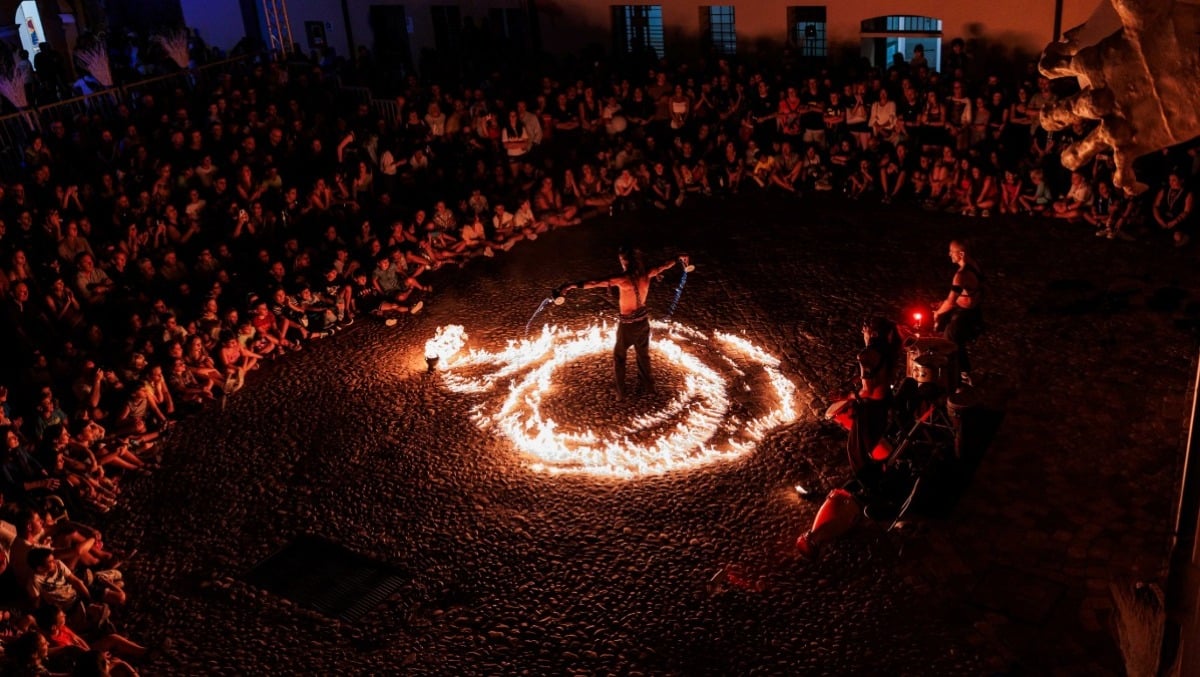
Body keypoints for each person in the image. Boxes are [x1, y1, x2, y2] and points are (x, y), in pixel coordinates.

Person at [556, 247, 690, 401]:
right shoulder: (647, 273)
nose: (621, 263)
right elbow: (664, 265)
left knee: (619, 357)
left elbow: (594, 282)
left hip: (627, 326)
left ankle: (621, 393)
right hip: (643, 322)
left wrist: (571, 286)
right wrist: (678, 257)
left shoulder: (623, 279)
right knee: (643, 355)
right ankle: (648, 388)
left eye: (621, 260)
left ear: (625, 261)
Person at [933, 240, 984, 375]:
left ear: (961, 254)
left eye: (952, 252)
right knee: (946, 327)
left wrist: (937, 313)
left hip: (966, 314)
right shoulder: (974, 265)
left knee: (950, 337)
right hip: (974, 309)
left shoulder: (961, 275)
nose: (949, 254)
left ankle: (964, 373)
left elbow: (950, 302)